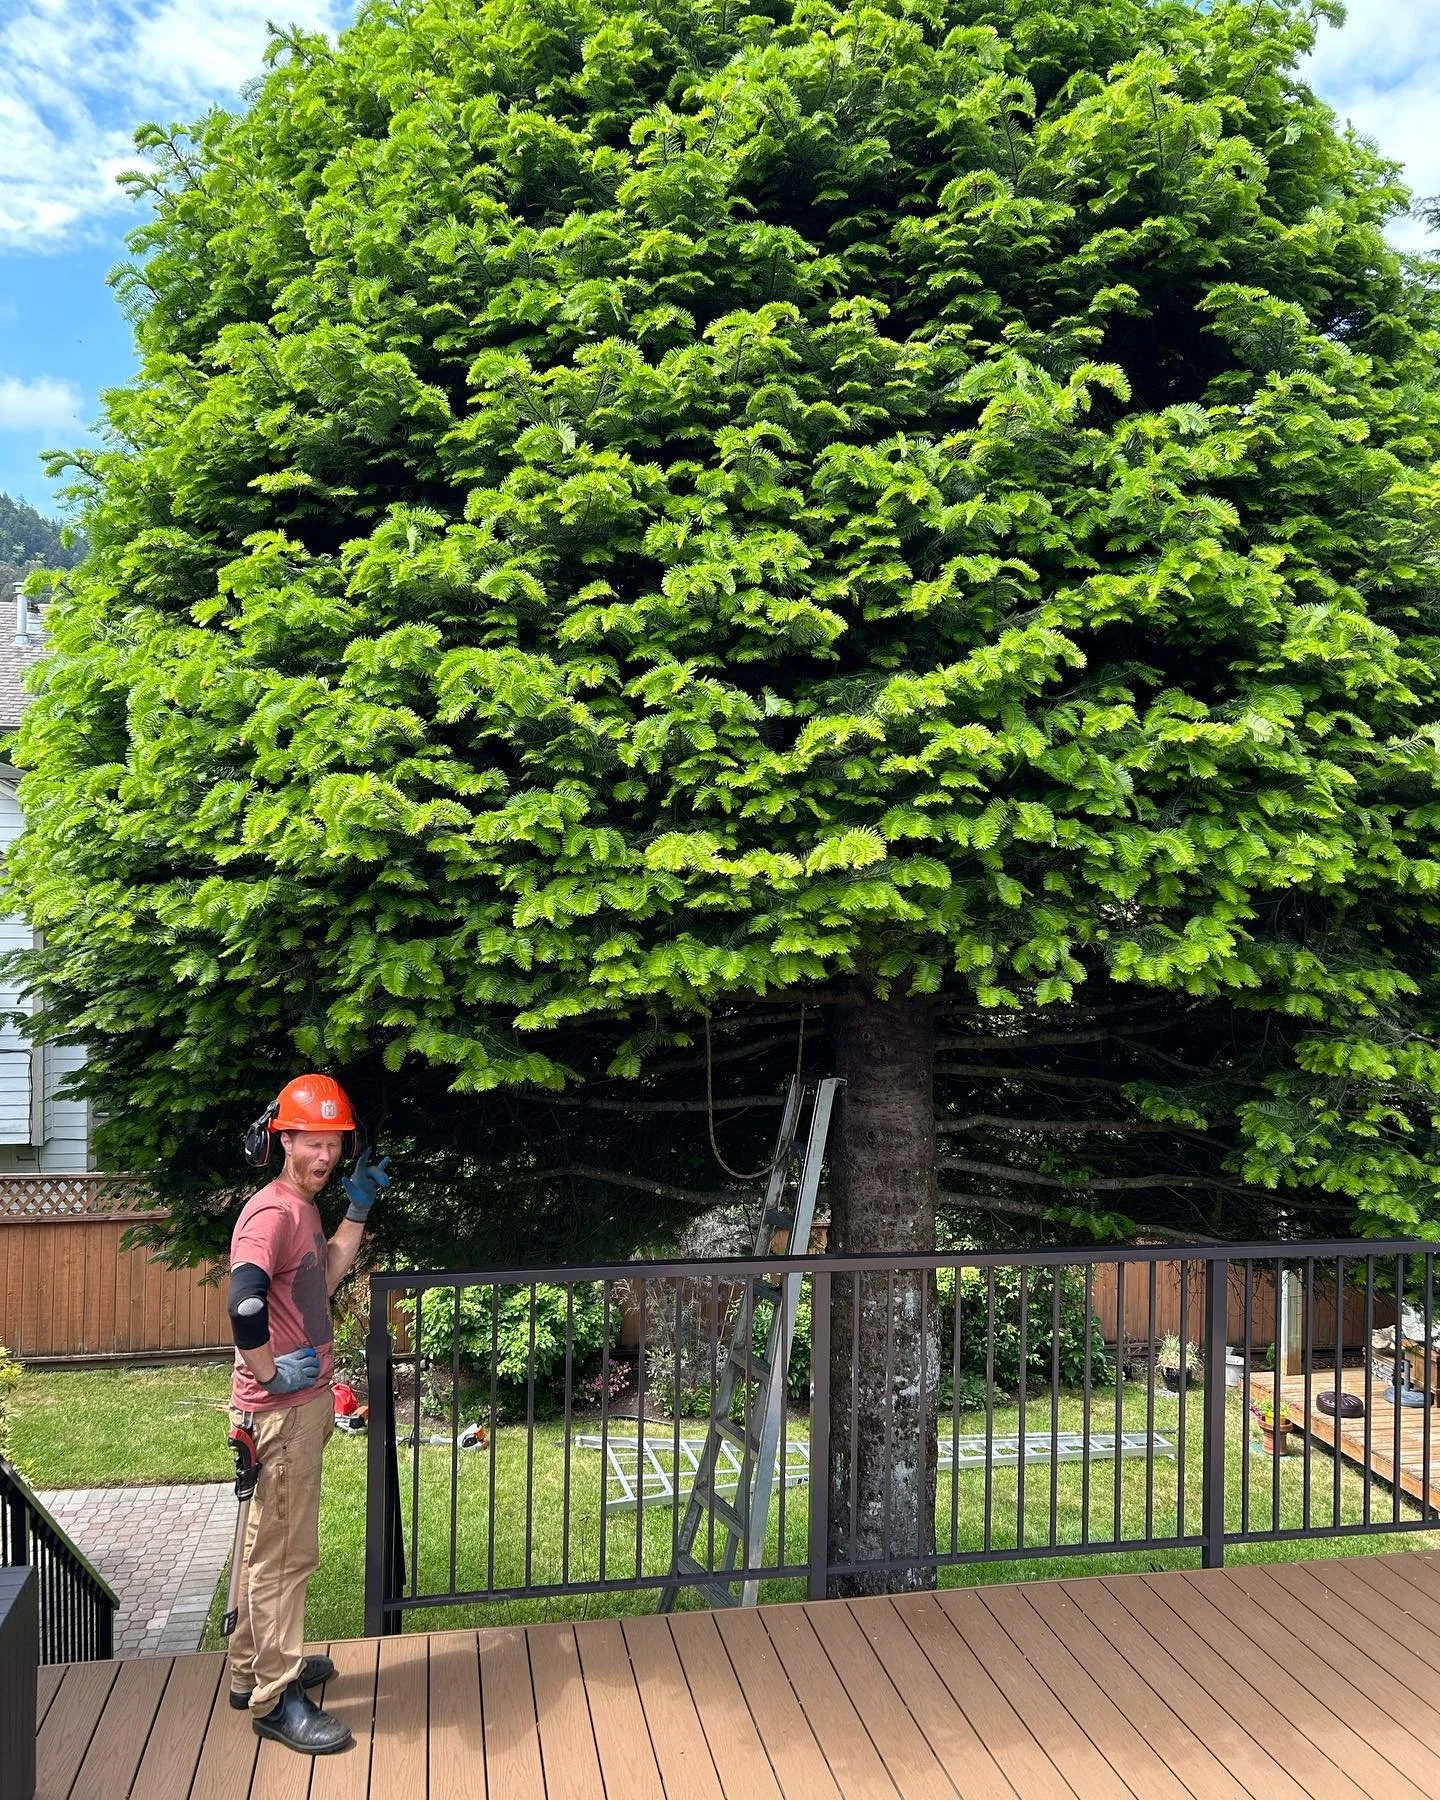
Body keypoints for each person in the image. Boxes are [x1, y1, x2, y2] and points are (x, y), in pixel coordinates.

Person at [224, 1073, 389, 1755]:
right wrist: (267, 1368)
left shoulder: (305, 1207)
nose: (325, 1155)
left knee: (270, 1543)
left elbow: (323, 1277)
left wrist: (357, 1210)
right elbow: (244, 1301)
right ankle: (275, 1697)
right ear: (283, 1138)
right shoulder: (271, 1212)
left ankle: (248, 1671)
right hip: (282, 1412)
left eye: (334, 1143)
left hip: (302, 1406)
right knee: (285, 1557)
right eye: (312, 1141)